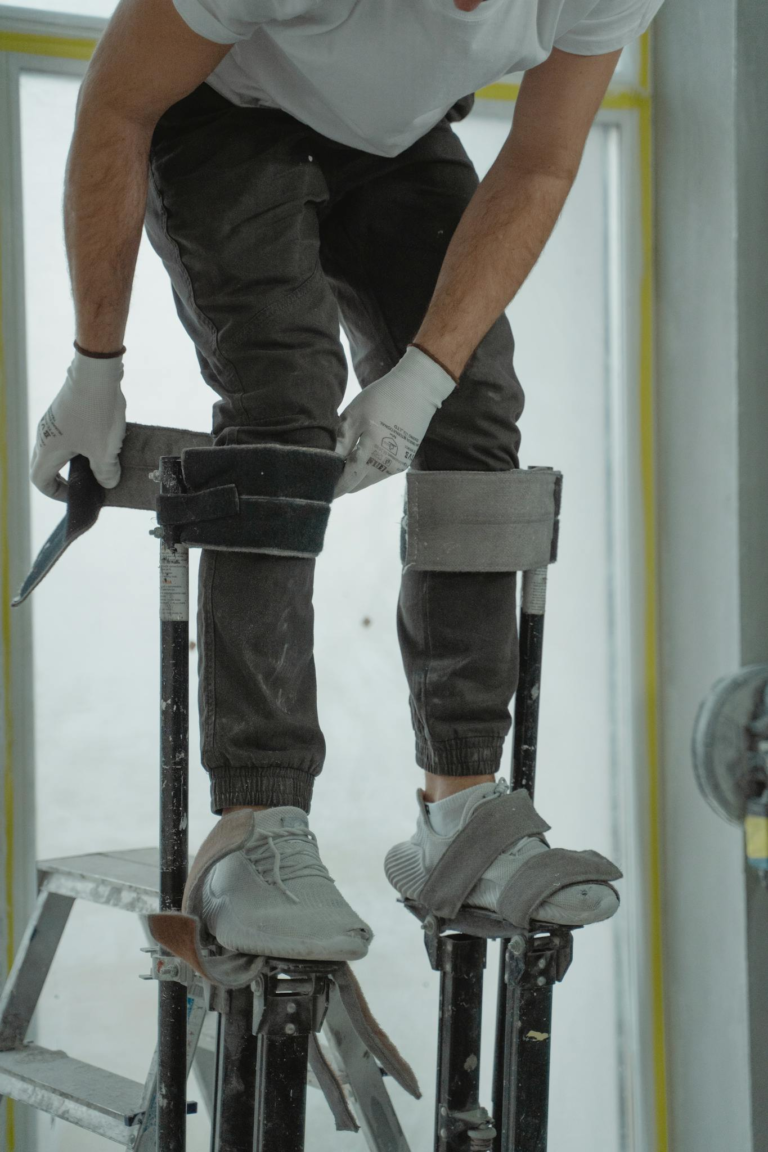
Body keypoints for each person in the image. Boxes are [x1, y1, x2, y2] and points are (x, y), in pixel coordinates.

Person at [30, 0, 663, 962]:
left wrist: (424, 378)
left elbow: (539, 163)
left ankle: (459, 811)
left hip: (397, 144)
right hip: (219, 115)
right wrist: (95, 363)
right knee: (285, 395)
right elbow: (117, 106)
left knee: (472, 402)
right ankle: (257, 820)